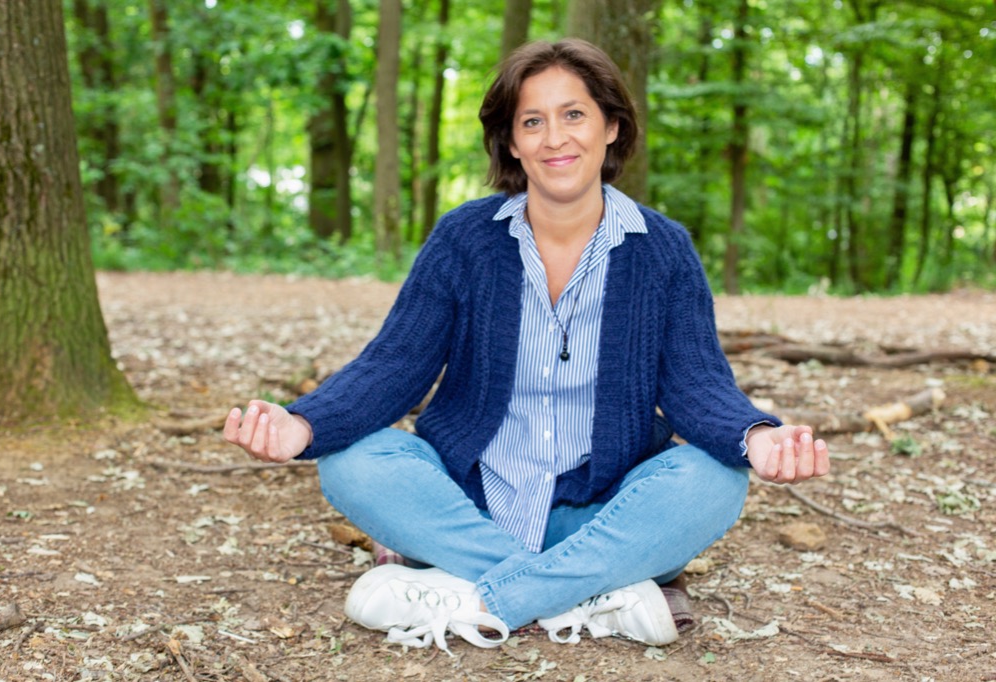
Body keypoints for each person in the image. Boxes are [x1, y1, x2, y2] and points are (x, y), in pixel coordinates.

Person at [223, 38, 830, 654]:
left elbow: (697, 386)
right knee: (352, 460)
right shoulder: (464, 239)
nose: (554, 138)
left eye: (574, 114)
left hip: (598, 510)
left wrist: (757, 437)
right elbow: (396, 364)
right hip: (469, 505)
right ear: (512, 142)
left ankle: (474, 595)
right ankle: (590, 592)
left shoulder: (662, 250)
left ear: (612, 126)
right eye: (532, 121)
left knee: (715, 478)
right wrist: (304, 424)